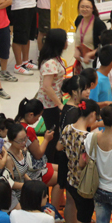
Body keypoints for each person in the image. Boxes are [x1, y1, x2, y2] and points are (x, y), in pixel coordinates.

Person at [60, 99, 101, 223]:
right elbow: (86, 162)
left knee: (70, 206)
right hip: (84, 184)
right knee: (83, 221)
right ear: (93, 114)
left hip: (70, 178)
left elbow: (59, 147)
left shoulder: (67, 129)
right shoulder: (88, 138)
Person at [37, 28, 68, 160]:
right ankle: (48, 161)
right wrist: (59, 104)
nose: (67, 43)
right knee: (52, 135)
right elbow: (47, 87)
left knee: (55, 134)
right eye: (65, 40)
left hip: (53, 101)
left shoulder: (55, 59)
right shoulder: (50, 63)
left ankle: (52, 158)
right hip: (49, 105)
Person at [74, 0, 106, 70]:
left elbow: (105, 45)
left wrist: (91, 54)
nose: (84, 9)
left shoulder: (98, 24)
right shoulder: (79, 20)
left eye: (87, 7)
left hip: (95, 63)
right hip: (82, 62)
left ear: (92, 8)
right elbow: (78, 38)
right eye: (82, 7)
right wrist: (76, 49)